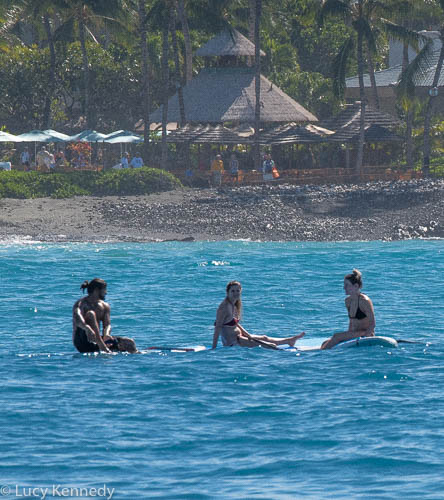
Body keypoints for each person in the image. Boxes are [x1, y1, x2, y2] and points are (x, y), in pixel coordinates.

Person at [212, 281, 305, 349]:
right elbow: (218, 327)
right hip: (234, 342)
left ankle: (289, 341)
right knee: (271, 346)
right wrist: (214, 348)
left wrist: (248, 335)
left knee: (264, 337)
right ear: (227, 292)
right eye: (233, 291)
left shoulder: (234, 304)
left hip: (241, 337)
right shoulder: (224, 307)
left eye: (237, 291)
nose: (235, 293)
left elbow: (235, 323)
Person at [72, 278, 138, 354]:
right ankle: (102, 346)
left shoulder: (105, 306)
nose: (106, 293)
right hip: (82, 342)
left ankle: (136, 354)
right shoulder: (81, 304)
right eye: (104, 290)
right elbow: (77, 319)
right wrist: (87, 328)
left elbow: (107, 325)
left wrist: (106, 334)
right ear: (97, 290)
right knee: (91, 314)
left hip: (97, 340)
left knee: (129, 343)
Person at [321, 269, 375, 350]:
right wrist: (347, 338)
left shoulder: (365, 301)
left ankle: (321, 355)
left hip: (365, 333)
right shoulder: (348, 301)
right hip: (354, 334)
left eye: (347, 285)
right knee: (325, 343)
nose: (344, 288)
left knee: (336, 336)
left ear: (356, 286)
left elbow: (372, 324)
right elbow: (351, 321)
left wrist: (365, 338)